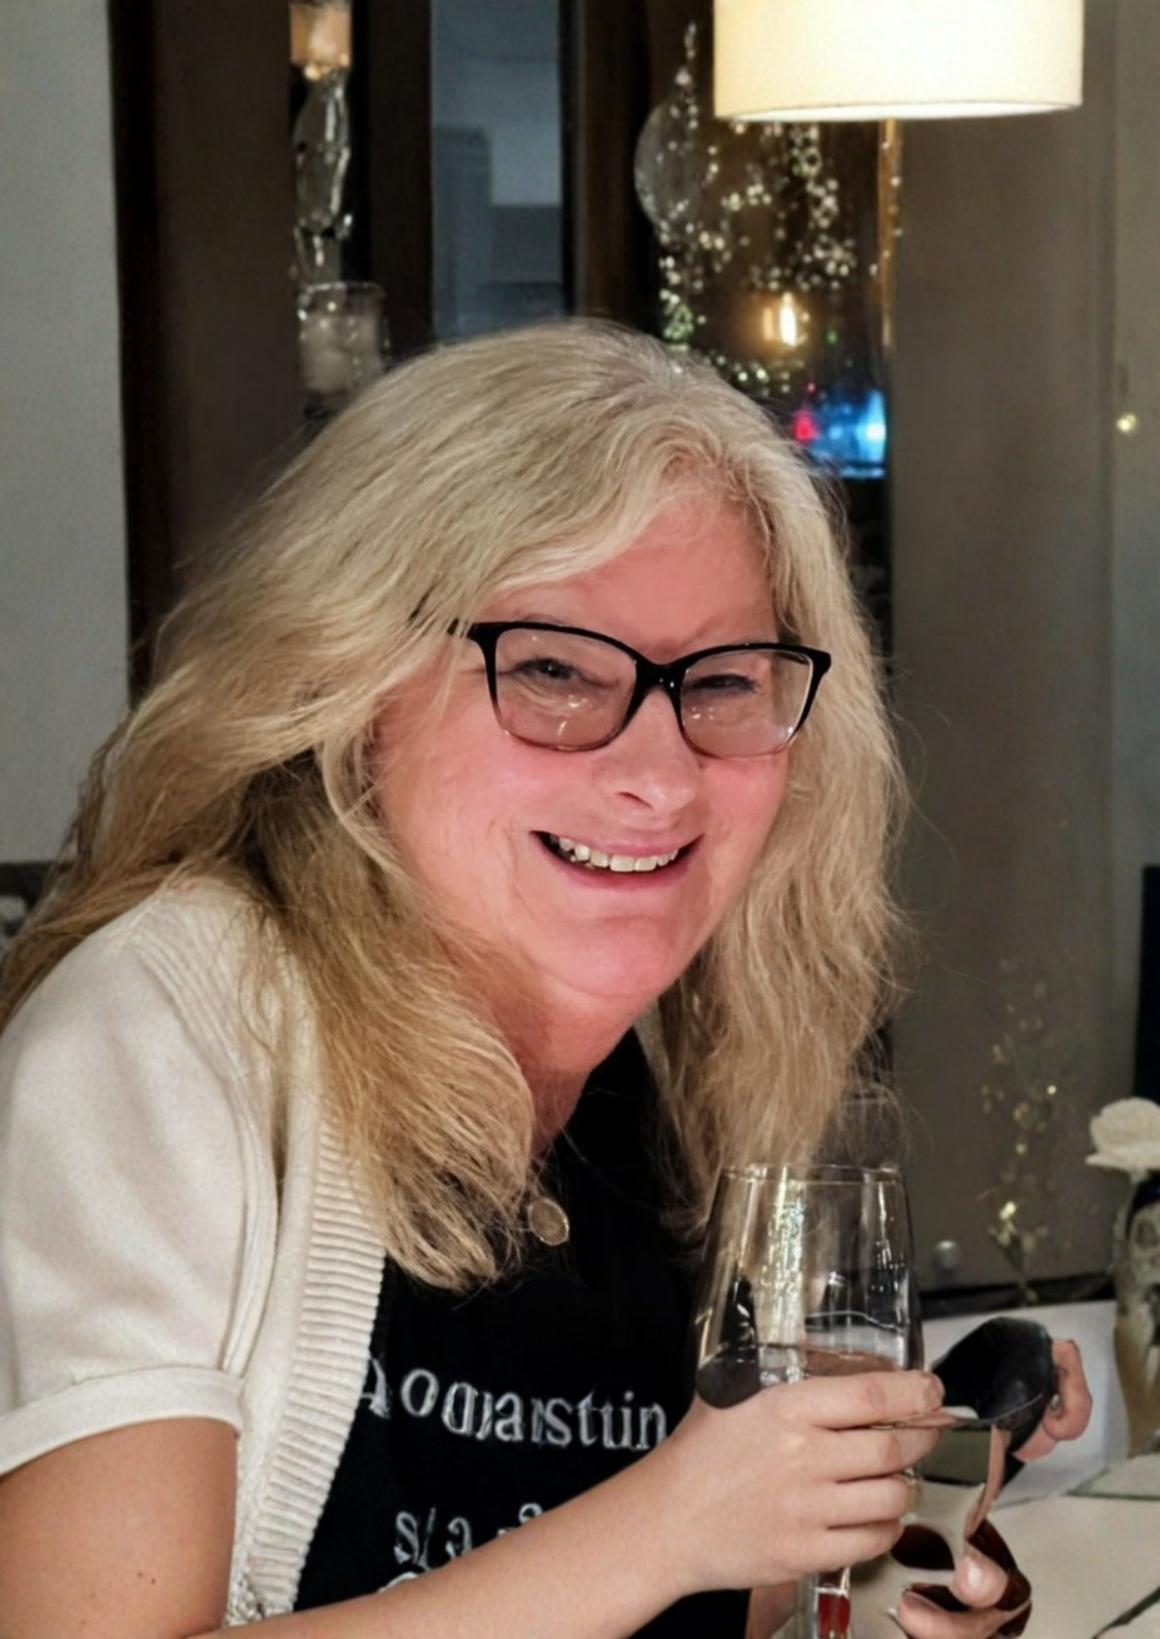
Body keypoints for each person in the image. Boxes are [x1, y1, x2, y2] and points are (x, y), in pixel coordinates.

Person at [0, 319, 1089, 1639]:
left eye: (725, 680)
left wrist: (876, 1560)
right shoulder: (161, 1036)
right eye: (557, 671)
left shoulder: (699, 1063)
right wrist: (676, 1518)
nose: (660, 770)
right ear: (355, 684)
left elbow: (678, 1603)